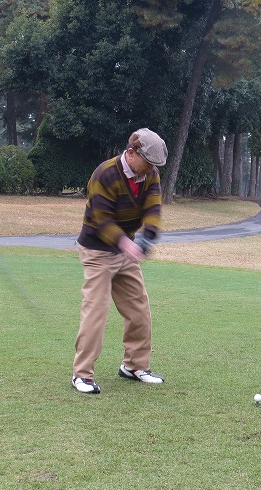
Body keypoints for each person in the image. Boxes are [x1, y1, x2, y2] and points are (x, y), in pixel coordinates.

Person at [71, 128, 168, 394]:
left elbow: (153, 207)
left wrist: (147, 236)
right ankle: (82, 375)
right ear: (131, 153)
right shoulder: (105, 174)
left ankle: (134, 366)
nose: (150, 169)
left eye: (154, 165)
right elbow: (100, 218)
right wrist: (125, 243)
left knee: (139, 308)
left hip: (126, 251)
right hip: (97, 250)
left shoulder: (150, 174)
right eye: (147, 163)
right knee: (96, 311)